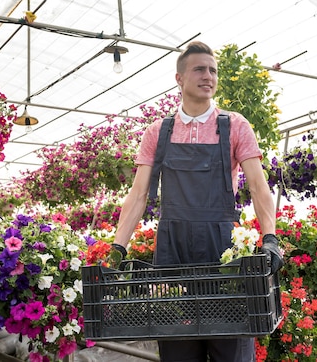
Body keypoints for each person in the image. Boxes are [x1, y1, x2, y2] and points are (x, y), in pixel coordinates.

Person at [110, 41, 283, 362]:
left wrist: (270, 238)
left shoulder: (235, 126)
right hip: (172, 253)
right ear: (179, 78)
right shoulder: (158, 132)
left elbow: (259, 188)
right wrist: (117, 248)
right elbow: (138, 195)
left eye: (213, 70)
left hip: (224, 254)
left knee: (231, 347)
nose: (208, 76)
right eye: (199, 69)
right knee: (176, 347)